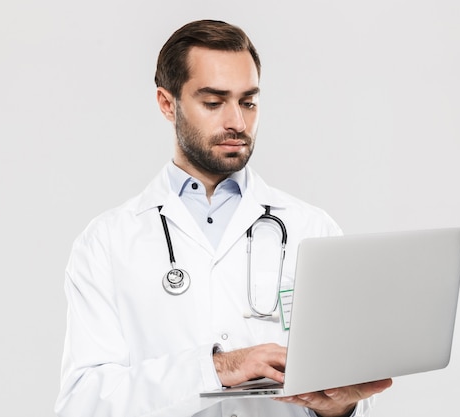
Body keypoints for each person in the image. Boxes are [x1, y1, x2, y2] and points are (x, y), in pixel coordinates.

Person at [55, 19, 392, 417]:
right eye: (214, 102)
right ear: (167, 103)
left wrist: (339, 408)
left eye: (248, 101)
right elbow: (82, 403)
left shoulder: (312, 229)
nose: (237, 122)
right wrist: (219, 368)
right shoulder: (107, 243)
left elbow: (350, 390)